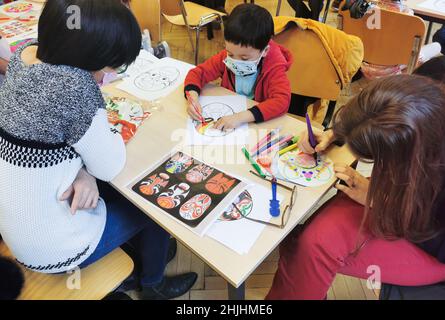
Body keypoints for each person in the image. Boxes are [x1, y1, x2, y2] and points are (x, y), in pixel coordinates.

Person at [0, 0, 196, 300]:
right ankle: (153, 284)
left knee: (114, 190)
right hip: (53, 249)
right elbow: (109, 165)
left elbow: (42, 135)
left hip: (19, 232)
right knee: (153, 203)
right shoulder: (76, 88)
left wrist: (81, 170)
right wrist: (90, 169)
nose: (105, 78)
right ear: (87, 58)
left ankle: (142, 257)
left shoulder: (25, 56)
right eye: (106, 69)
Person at [267, 75, 445, 299]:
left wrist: (384, 202)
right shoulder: (434, 83)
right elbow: (383, 113)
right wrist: (333, 134)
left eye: (378, 160)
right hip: (407, 200)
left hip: (436, 247)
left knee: (313, 246)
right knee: (303, 243)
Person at [184, 3, 292, 131]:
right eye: (230, 53)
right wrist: (193, 97)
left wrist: (240, 117)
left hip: (253, 123)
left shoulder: (274, 66)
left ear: (265, 51)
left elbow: (282, 101)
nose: (234, 61)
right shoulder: (229, 55)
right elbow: (198, 73)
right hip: (229, 110)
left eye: (244, 58)